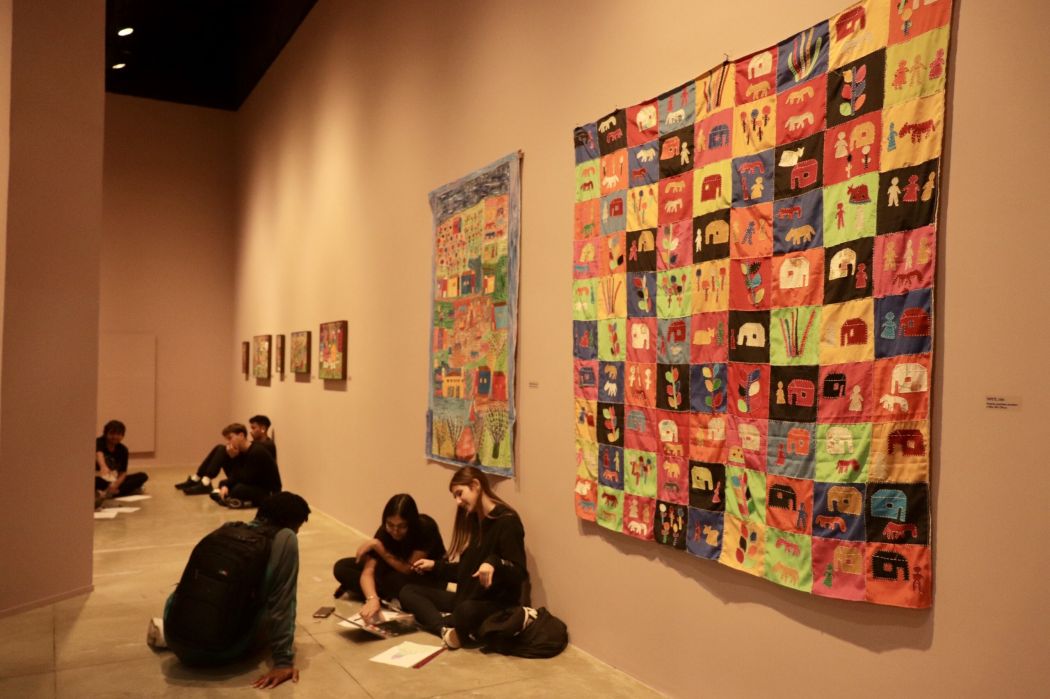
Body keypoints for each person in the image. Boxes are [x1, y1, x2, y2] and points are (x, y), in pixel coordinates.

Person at [155, 492, 310, 689]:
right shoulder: (285, 538)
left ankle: (173, 632)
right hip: (222, 650)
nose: (297, 533)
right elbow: (283, 601)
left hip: (175, 638)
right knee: (269, 608)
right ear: (291, 524)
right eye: (298, 527)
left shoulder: (227, 528)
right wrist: (283, 662)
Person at [399, 467, 528, 650]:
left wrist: (494, 563)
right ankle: (444, 628)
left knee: (465, 611)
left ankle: (443, 624)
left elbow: (519, 572)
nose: (458, 502)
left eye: (460, 494)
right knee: (408, 591)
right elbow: (466, 571)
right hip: (466, 596)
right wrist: (435, 566)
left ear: (475, 485)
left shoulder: (507, 521)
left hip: (492, 604)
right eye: (455, 497)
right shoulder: (474, 520)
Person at [332, 494, 446, 621]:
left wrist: (379, 547)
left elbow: (408, 569)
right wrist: (372, 599)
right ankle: (386, 596)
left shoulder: (425, 528)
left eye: (402, 526)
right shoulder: (385, 531)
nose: (395, 531)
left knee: (392, 579)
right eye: (390, 525)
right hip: (394, 573)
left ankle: (388, 595)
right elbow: (368, 571)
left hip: (426, 579)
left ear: (411, 523)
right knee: (342, 567)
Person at [176, 415, 277, 494]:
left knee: (222, 450)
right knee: (220, 448)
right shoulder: (255, 444)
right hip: (244, 473)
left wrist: (234, 457)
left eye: (253, 428)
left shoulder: (265, 446)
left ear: (263, 428)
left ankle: (205, 481)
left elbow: (249, 473)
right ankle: (198, 478)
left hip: (250, 478)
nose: (251, 431)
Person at [210, 423, 282, 509]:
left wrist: (234, 458)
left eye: (230, 438)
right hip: (253, 484)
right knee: (222, 484)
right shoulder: (241, 451)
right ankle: (232, 499)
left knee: (238, 489)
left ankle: (233, 499)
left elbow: (245, 478)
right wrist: (225, 485)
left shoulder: (256, 452)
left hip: (268, 491)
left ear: (241, 435)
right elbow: (236, 476)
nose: (228, 442)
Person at [95, 420, 148, 500]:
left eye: (118, 434)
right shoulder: (99, 442)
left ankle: (108, 492)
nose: (115, 437)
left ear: (123, 435)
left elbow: (123, 472)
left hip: (112, 479)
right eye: (112, 433)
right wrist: (103, 466)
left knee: (142, 476)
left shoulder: (123, 449)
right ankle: (116, 492)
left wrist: (115, 484)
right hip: (99, 478)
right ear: (106, 433)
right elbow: (99, 454)